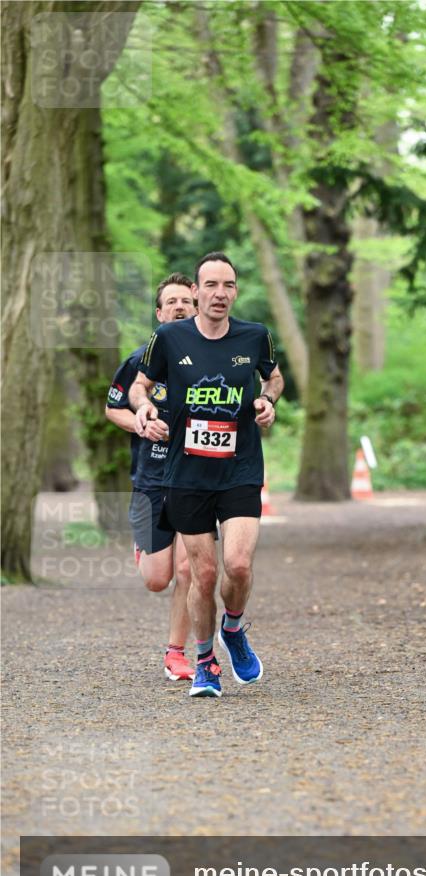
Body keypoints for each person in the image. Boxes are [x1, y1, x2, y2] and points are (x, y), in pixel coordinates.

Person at [129, 252, 284, 699]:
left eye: (228, 285)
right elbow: (141, 386)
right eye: (211, 285)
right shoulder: (169, 338)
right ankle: (205, 662)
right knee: (203, 574)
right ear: (196, 292)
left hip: (239, 469)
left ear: (236, 291)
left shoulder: (255, 336)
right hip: (186, 474)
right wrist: (144, 409)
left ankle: (232, 629)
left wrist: (268, 399)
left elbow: (274, 378)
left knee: (237, 564)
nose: (220, 294)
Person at [105, 273, 198, 681]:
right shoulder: (139, 361)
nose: (179, 307)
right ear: (159, 313)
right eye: (171, 302)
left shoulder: (211, 360)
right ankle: (145, 552)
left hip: (196, 478)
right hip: (151, 480)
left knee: (190, 571)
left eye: (186, 301)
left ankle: (177, 653)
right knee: (158, 580)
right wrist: (141, 424)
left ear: (196, 309)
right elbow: (113, 408)